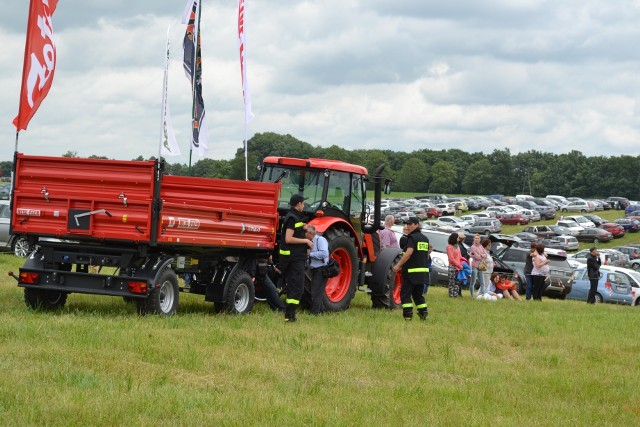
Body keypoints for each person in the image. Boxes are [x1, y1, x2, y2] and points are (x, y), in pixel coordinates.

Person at [279, 194, 314, 322]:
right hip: (293, 259)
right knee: (297, 287)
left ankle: (291, 315)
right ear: (298, 204)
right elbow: (288, 238)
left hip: (296, 257)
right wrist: (306, 241)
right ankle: (289, 315)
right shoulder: (292, 218)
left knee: (295, 286)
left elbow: (296, 229)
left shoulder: (295, 217)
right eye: (303, 203)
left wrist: (303, 227)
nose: (304, 205)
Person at [392, 217, 430, 320]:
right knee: (418, 295)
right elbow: (426, 255)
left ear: (417, 225)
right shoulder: (425, 238)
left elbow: (409, 253)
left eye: (410, 224)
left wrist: (398, 265)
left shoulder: (412, 238)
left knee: (405, 295)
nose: (408, 226)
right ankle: (423, 313)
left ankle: (408, 317)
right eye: (407, 224)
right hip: (422, 273)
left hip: (411, 273)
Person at [305, 225, 329, 315]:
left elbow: (324, 253)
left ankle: (314, 312)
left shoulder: (320, 240)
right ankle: (321, 310)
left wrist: (310, 254)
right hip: (315, 269)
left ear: (310, 233)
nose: (304, 235)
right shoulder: (310, 241)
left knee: (316, 290)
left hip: (321, 269)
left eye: (306, 233)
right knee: (317, 290)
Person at [446, 232, 464, 297]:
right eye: (458, 238)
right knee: (452, 282)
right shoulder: (449, 247)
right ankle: (451, 295)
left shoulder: (457, 246)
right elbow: (451, 259)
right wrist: (458, 265)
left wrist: (464, 262)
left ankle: (455, 295)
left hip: (458, 268)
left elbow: (460, 256)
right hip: (452, 267)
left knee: (457, 282)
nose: (458, 239)